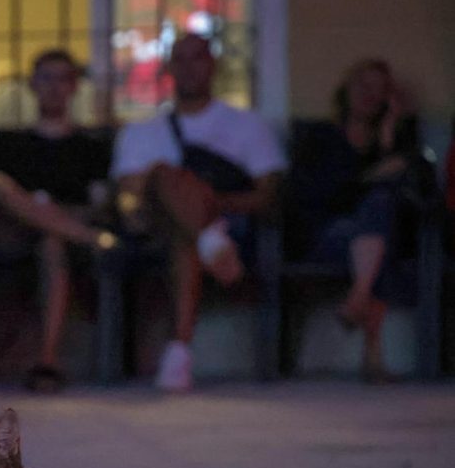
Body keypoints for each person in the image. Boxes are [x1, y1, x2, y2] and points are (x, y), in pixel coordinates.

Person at [110, 33, 285, 392]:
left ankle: (179, 347)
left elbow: (268, 196)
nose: (190, 67)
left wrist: (201, 203)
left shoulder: (248, 125)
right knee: (162, 173)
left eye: (198, 57)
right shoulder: (141, 131)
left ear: (213, 65)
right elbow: (128, 192)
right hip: (154, 229)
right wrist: (171, 193)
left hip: (229, 226)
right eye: (182, 58)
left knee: (184, 233)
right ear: (170, 68)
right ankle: (207, 240)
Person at [0, 49, 115, 392]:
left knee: (52, 242)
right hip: (10, 228)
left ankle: (47, 361)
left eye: (63, 79)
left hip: (63, 229)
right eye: (46, 78)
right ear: (32, 85)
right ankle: (87, 237)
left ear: (74, 87)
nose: (54, 87)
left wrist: (54, 215)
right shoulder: (8, 142)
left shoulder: (91, 147)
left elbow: (98, 202)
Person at [288, 58, 419, 383]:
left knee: (380, 215)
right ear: (346, 89)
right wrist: (371, 175)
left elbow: (414, 194)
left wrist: (389, 133)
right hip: (325, 235)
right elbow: (316, 194)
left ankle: (357, 299)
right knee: (375, 228)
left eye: (379, 90)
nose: (368, 94)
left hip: (374, 239)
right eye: (363, 85)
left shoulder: (396, 143)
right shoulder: (320, 137)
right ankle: (372, 357)